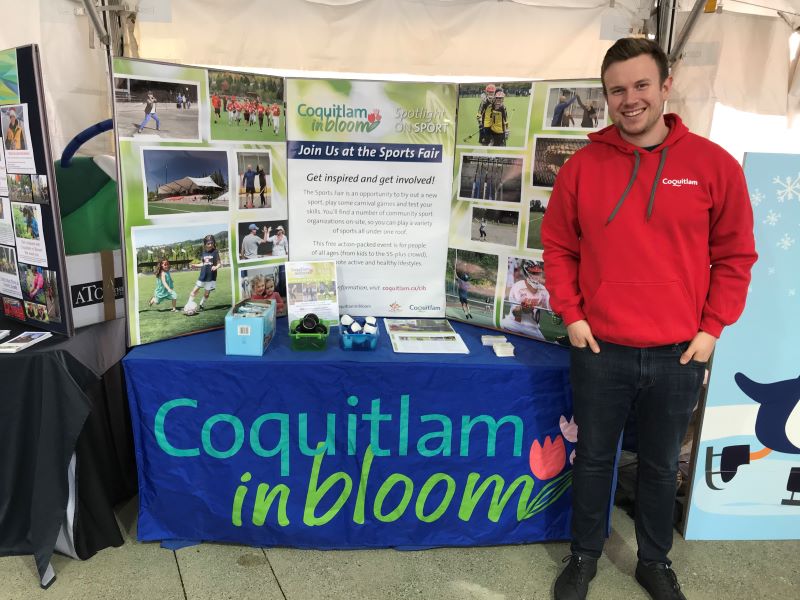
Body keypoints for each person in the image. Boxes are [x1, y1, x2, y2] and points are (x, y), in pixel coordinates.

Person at [541, 38, 757, 600]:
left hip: (679, 352)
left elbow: (735, 255)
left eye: (641, 85)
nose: (629, 99)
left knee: (661, 468)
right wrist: (573, 315)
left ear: (665, 86)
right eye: (617, 90)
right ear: (606, 96)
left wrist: (712, 329)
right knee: (592, 461)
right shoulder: (582, 168)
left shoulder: (714, 166)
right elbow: (559, 247)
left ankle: (654, 562)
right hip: (599, 348)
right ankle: (584, 555)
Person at [500, 259, 549, 340]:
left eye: (538, 273)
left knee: (545, 344)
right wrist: (524, 309)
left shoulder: (543, 290)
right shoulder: (518, 287)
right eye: (534, 273)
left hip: (532, 327)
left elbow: (549, 310)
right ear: (527, 273)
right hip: (513, 323)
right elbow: (516, 313)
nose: (537, 276)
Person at [188, 234, 221, 310]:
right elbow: (203, 263)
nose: (210, 245)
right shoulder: (203, 253)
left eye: (212, 243)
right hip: (202, 276)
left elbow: (219, 263)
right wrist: (195, 265)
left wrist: (216, 267)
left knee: (206, 294)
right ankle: (188, 304)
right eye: (208, 243)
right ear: (205, 244)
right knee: (194, 290)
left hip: (211, 277)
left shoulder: (215, 252)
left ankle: (201, 304)